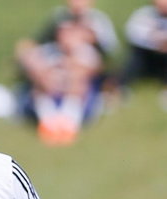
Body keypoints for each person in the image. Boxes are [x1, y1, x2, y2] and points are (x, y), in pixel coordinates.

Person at [15, 0, 120, 145]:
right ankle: (49, 122)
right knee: (40, 69)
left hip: (83, 68)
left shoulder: (98, 22)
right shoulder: (59, 17)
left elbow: (108, 56)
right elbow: (38, 42)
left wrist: (87, 41)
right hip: (57, 63)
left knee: (77, 71)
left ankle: (69, 123)